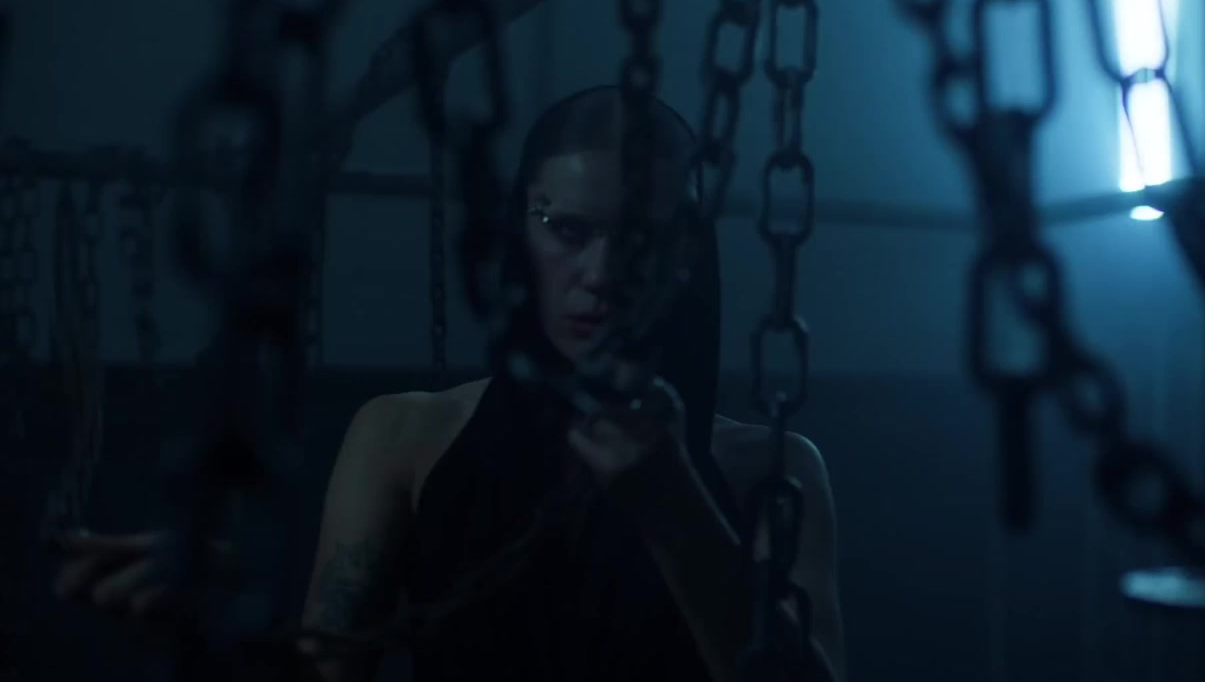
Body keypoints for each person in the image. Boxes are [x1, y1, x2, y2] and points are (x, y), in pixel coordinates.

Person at [49, 86, 845, 682]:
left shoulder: (772, 471)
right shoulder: (404, 438)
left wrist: (675, 507)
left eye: (639, 240)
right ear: (520, 230)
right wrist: (219, 623)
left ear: (684, 254)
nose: (600, 275)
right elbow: (328, 670)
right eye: (568, 230)